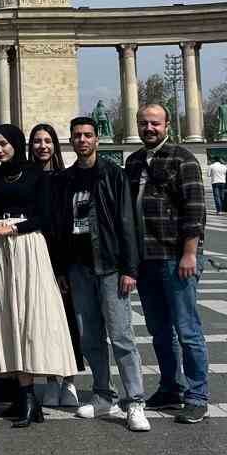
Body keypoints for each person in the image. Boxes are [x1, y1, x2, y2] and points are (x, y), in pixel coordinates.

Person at [0, 123, 79, 427]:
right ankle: (24, 396)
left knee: (28, 315)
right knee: (9, 317)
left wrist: (13, 228)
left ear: (16, 143)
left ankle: (29, 395)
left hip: (27, 245)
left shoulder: (36, 174)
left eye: (3, 144)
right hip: (1, 250)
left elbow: (45, 217)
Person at [58, 116, 149, 430]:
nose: (82, 140)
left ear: (97, 139)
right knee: (90, 337)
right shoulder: (66, 179)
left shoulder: (113, 174)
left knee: (121, 335)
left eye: (87, 135)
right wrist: (63, 269)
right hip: (78, 267)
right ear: (71, 140)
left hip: (109, 265)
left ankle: (135, 401)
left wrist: (130, 268)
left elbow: (128, 222)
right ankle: (102, 396)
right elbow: (61, 227)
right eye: (77, 135)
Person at [124, 103, 211, 424]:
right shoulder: (133, 161)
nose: (149, 128)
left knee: (187, 330)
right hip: (146, 258)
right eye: (143, 123)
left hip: (175, 256)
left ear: (167, 125)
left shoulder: (182, 159)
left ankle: (197, 395)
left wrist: (190, 253)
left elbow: (195, 209)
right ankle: (170, 387)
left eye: (155, 123)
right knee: (159, 330)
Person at [28, 122, 79, 409]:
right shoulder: (26, 177)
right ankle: (50, 378)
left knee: (68, 319)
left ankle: (69, 379)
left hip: (64, 254)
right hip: (37, 254)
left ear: (55, 145)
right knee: (45, 321)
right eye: (37, 141)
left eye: (47, 141)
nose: (42, 146)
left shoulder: (66, 177)